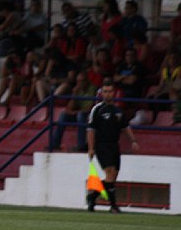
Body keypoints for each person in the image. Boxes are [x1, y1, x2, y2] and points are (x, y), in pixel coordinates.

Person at [86, 80, 139, 213]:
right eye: (105, 91)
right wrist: (91, 148)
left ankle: (92, 196)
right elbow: (91, 130)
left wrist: (133, 140)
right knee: (109, 172)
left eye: (110, 91)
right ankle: (113, 206)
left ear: (114, 93)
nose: (108, 94)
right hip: (101, 145)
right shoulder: (97, 109)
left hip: (114, 145)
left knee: (113, 177)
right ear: (101, 93)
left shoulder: (117, 110)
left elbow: (125, 126)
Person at [50, 70, 96, 151]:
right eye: (78, 81)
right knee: (63, 115)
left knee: (81, 115)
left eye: (82, 81)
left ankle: (81, 145)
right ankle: (55, 144)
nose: (80, 83)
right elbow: (69, 108)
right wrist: (74, 94)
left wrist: (76, 112)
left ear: (87, 81)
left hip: (89, 116)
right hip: (78, 114)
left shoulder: (92, 89)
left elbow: (90, 108)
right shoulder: (77, 89)